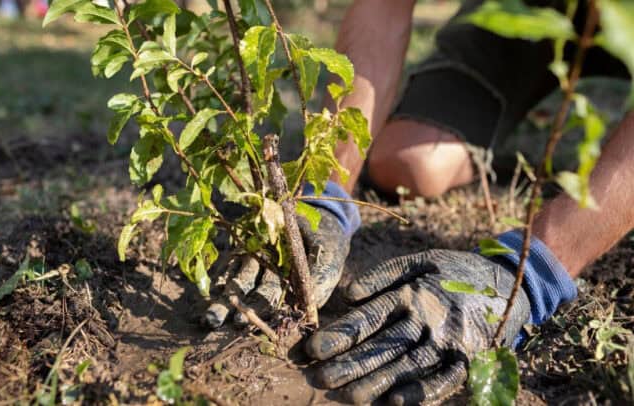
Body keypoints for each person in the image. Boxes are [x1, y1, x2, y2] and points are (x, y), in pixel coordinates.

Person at [207, 1, 633, 404]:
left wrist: (534, 272)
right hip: (529, 13)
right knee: (409, 164)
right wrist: (325, 190)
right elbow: (382, 9)